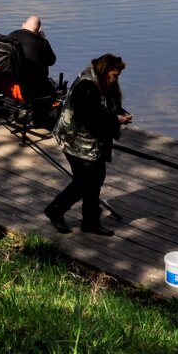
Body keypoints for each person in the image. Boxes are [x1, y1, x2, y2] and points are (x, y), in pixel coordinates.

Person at [44, 54, 132, 236]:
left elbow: (107, 106)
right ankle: (55, 210)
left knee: (96, 178)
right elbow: (91, 119)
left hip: (91, 142)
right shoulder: (86, 86)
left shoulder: (103, 82)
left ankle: (90, 221)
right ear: (105, 70)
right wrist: (116, 120)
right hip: (74, 140)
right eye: (115, 75)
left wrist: (121, 113)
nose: (116, 79)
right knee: (84, 181)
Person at [6, 15, 57, 124]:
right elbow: (52, 61)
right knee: (53, 93)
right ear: (39, 30)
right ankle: (38, 117)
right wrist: (43, 39)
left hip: (9, 85)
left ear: (23, 25)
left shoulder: (10, 36)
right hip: (30, 90)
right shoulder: (42, 43)